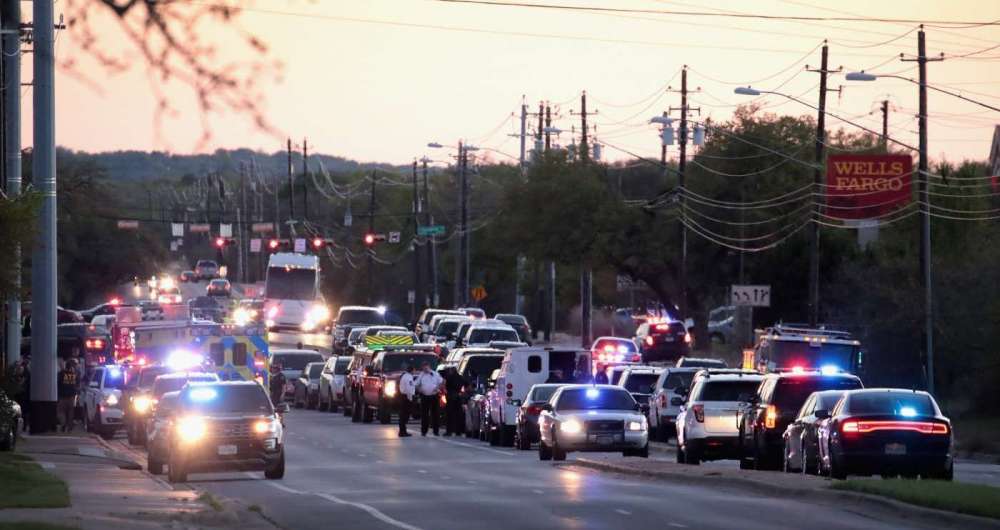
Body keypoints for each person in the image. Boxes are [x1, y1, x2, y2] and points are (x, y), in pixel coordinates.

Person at [415, 362, 444, 436]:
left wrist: (437, 388)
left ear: (429, 367)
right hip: (425, 396)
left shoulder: (435, 374)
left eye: (426, 367)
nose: (425, 369)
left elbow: (442, 382)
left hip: (434, 395)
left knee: (435, 414)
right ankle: (424, 431)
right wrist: (419, 389)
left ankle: (436, 431)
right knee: (424, 414)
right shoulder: (421, 375)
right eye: (423, 368)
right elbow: (416, 384)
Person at [57, 359, 80, 432]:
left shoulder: (61, 373)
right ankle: (69, 427)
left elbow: (58, 384)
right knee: (70, 412)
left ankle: (63, 423)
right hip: (72, 397)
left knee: (60, 411)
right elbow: (77, 385)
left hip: (62, 396)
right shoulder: (75, 374)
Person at [443, 367, 467, 436]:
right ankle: (458, 431)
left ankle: (449, 431)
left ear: (451, 371)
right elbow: (466, 384)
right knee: (458, 415)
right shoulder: (461, 377)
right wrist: (462, 392)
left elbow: (445, 385)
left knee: (449, 415)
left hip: (450, 397)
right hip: (458, 397)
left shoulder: (449, 377)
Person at [398, 364, 416, 437]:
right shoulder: (408, 378)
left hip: (403, 396)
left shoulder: (405, 376)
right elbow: (409, 388)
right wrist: (410, 398)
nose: (415, 371)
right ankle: (402, 431)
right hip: (407, 397)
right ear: (411, 370)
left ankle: (402, 430)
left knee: (403, 415)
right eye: (414, 370)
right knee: (405, 415)